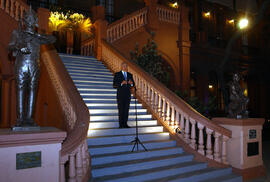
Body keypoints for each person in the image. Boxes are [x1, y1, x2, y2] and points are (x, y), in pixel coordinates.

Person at [8, 7, 56, 126]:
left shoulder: (37, 36)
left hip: (35, 65)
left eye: (32, 18)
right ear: (24, 20)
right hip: (21, 64)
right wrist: (19, 47)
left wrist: (37, 36)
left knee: (33, 91)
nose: (29, 20)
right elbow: (10, 47)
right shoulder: (17, 33)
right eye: (27, 18)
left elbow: (52, 39)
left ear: (35, 21)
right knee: (20, 90)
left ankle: (29, 118)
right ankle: (20, 119)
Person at [113, 62, 135, 128]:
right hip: (120, 95)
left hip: (128, 95)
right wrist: (121, 83)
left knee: (126, 110)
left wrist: (131, 83)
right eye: (124, 66)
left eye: (126, 66)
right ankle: (121, 125)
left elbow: (133, 84)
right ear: (121, 67)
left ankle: (125, 124)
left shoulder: (130, 75)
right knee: (121, 110)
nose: (125, 67)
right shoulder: (117, 74)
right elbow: (114, 84)